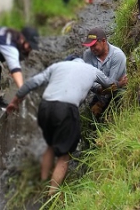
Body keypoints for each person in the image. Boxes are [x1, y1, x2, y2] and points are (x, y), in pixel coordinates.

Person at [6, 57, 114, 195]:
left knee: (50, 145)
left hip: (45, 107)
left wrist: (15, 101)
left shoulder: (57, 66)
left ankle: (43, 181)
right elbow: (110, 85)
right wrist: (120, 82)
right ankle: (52, 195)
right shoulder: (91, 70)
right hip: (65, 110)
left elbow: (31, 83)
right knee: (64, 156)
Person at [80, 27, 127, 119]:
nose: (92, 49)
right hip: (100, 94)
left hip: (117, 93)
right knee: (92, 119)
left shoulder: (117, 56)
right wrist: (99, 88)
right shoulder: (87, 55)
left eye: (94, 45)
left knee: (117, 106)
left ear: (104, 41)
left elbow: (111, 84)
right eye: (90, 46)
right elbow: (87, 80)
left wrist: (101, 102)